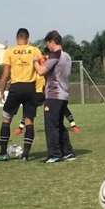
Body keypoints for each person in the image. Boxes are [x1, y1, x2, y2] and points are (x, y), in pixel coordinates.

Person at [0, 28, 43, 161]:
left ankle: (3, 152)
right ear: (28, 38)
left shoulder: (10, 51)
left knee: (6, 119)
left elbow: (5, 74)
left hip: (15, 88)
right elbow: (42, 70)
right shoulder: (34, 50)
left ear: (17, 38)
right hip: (30, 88)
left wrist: (1, 90)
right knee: (29, 121)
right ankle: (26, 154)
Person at [34, 30, 75, 163]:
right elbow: (55, 72)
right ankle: (67, 152)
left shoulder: (55, 55)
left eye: (48, 43)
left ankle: (54, 154)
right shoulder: (67, 56)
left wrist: (35, 61)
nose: (48, 47)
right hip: (64, 95)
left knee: (51, 125)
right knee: (59, 125)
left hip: (53, 95)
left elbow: (41, 71)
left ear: (52, 41)